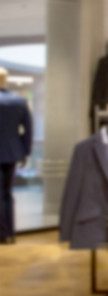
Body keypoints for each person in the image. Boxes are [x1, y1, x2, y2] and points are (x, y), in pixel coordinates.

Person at [0, 67, 33, 244]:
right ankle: (9, 233)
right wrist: (25, 151)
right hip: (12, 153)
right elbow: (28, 130)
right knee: (7, 193)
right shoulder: (19, 102)